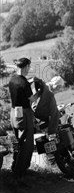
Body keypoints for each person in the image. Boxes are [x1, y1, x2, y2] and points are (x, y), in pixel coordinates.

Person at [8, 57, 34, 185]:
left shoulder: (12, 79)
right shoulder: (25, 83)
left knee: (18, 141)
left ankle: (14, 166)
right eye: (29, 66)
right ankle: (20, 172)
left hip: (14, 113)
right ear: (26, 67)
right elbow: (32, 99)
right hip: (24, 113)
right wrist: (40, 91)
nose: (30, 69)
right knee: (27, 143)